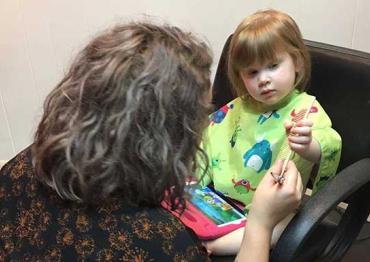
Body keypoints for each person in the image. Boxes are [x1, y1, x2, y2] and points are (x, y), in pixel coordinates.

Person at [0, 20, 301, 261]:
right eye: (200, 116)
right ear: (163, 143)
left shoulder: (23, 165)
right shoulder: (158, 241)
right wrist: (260, 225)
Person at [198, 9, 342, 254]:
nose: (263, 79)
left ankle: (213, 246)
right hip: (221, 202)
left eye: (273, 66)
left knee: (285, 228)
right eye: (252, 72)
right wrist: (189, 184)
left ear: (296, 62)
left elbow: (329, 143)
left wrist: (308, 146)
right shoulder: (238, 108)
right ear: (240, 76)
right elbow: (207, 142)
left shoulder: (306, 110)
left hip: (275, 210)